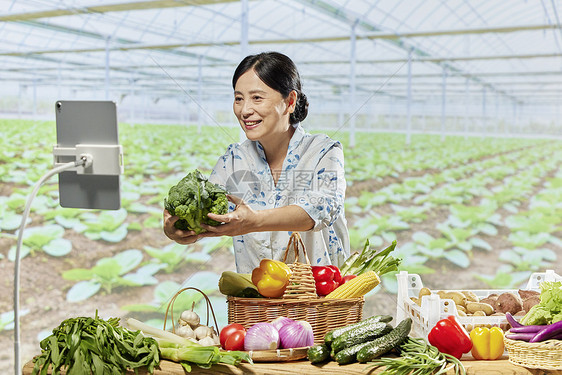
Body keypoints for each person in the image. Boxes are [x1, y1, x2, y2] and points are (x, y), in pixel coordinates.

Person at [163, 51, 349, 273]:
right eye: (239, 98)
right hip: (257, 302)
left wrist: (254, 221)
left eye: (257, 98)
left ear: (290, 102)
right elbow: (206, 208)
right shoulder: (233, 160)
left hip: (320, 300)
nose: (245, 110)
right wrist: (180, 228)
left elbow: (323, 206)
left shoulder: (323, 152)